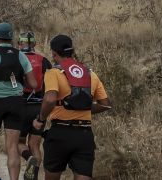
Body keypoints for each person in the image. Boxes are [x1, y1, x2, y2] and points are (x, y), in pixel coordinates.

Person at [32, 35, 112, 180]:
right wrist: (84, 107)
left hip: (59, 133)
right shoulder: (91, 74)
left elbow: (49, 100)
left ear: (54, 53)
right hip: (84, 135)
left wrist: (40, 119)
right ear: (72, 51)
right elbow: (106, 105)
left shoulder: (53, 73)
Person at [0, 23, 37, 180]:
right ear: (12, 38)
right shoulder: (21, 56)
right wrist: (19, 82)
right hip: (16, 103)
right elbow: (33, 84)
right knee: (12, 146)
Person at [17, 32, 52, 180]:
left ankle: (28, 157)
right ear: (35, 44)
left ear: (19, 44)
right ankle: (34, 176)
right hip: (39, 108)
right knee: (35, 144)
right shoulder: (44, 60)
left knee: (19, 142)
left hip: (22, 105)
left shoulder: (16, 58)